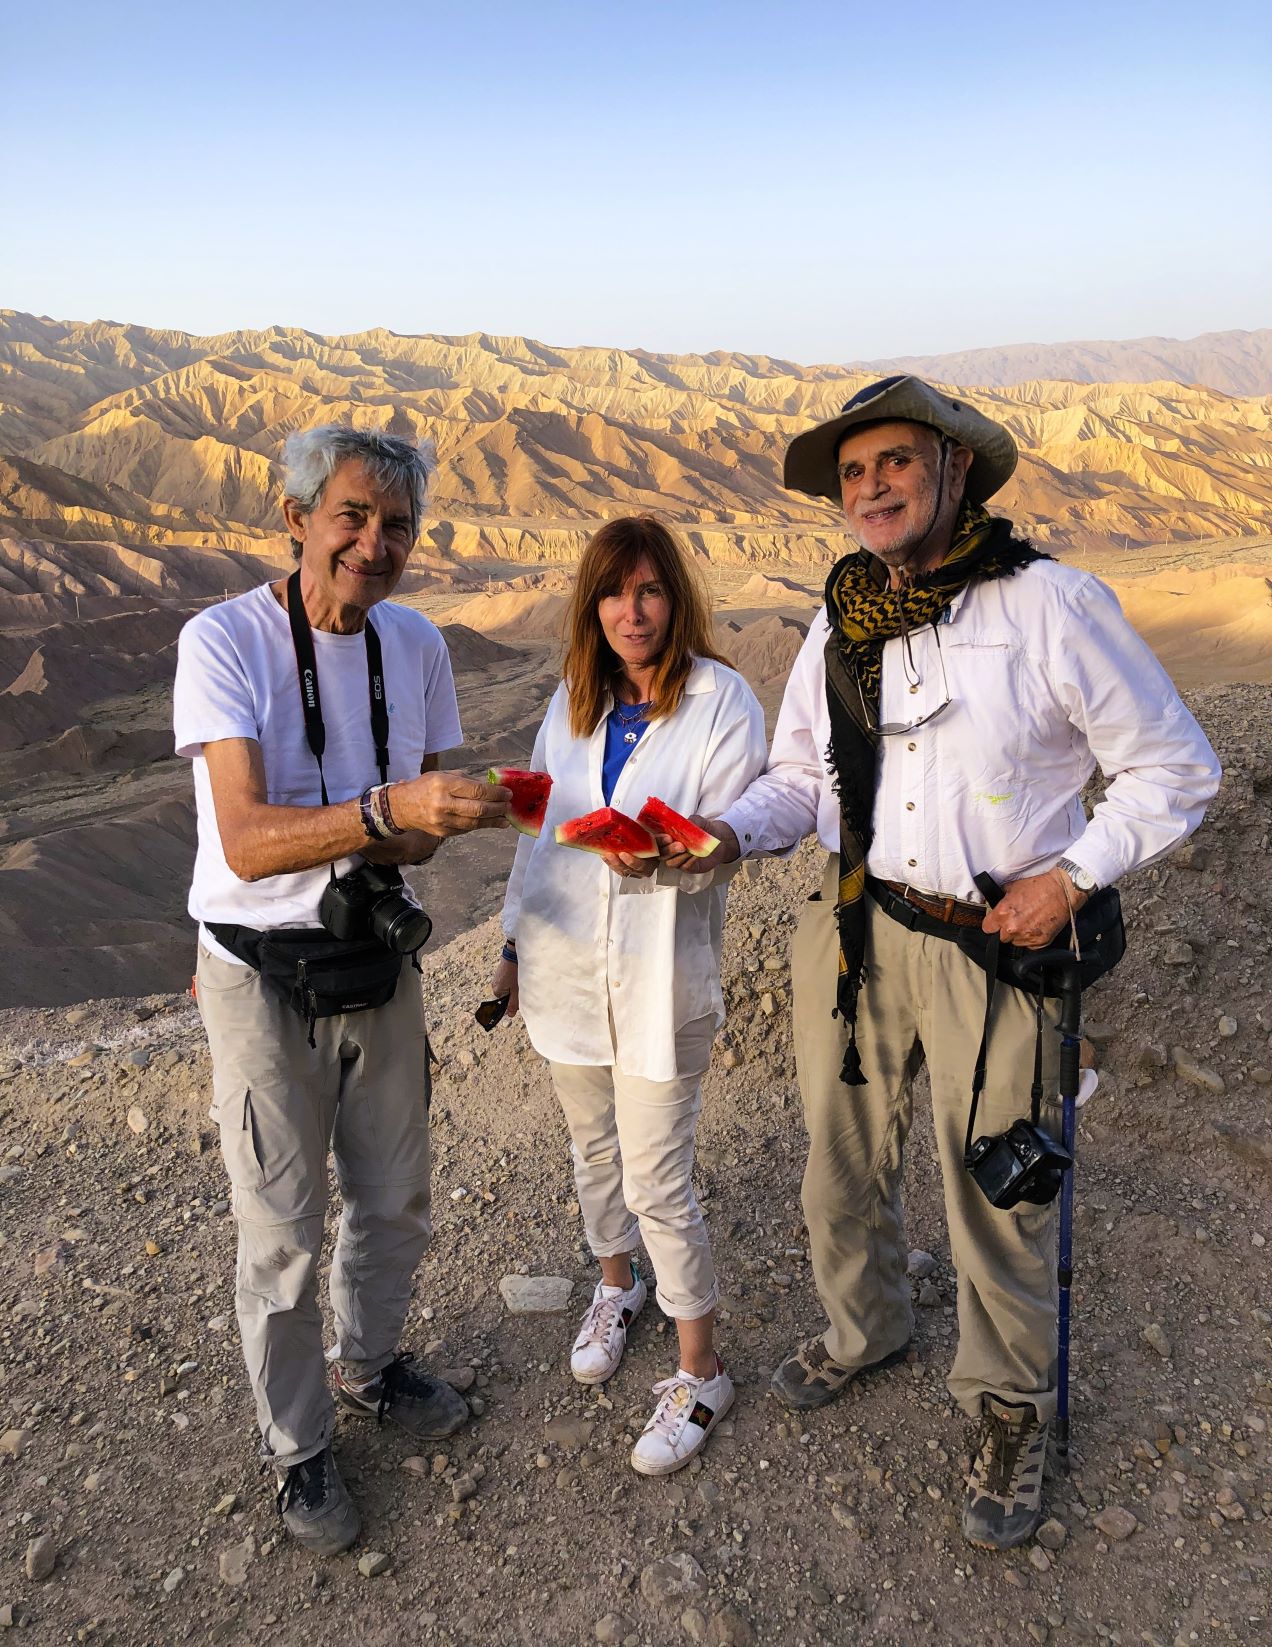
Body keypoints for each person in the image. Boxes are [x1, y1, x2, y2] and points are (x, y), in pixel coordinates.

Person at [664, 376, 1221, 1546]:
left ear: (954, 471)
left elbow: (1176, 768)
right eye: (852, 473)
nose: (870, 488)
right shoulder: (839, 617)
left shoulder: (1049, 606)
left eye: (895, 464)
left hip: (994, 945)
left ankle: (1009, 1404)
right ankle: (867, 1329)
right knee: (839, 1161)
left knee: (994, 1187)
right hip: (856, 925)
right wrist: (727, 835)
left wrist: (1069, 876)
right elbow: (806, 778)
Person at [173, 425, 510, 1555]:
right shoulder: (221, 640)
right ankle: (298, 1448)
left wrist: (440, 820)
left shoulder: (414, 645)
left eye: (398, 526)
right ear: (297, 519)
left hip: (374, 957)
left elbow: (413, 844)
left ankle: (366, 1365)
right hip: (258, 968)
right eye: (353, 517)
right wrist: (384, 815)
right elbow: (250, 838)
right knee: (280, 1228)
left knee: (396, 1193)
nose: (375, 544)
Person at [490, 516, 766, 1475]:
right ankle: (617, 1285)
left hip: (661, 975)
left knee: (659, 1175)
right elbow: (535, 830)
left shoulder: (722, 701)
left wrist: (675, 849)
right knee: (592, 1151)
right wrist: (511, 944)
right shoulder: (571, 704)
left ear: (675, 598)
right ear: (592, 605)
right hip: (564, 970)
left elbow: (727, 834)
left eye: (649, 591)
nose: (632, 611)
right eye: (614, 592)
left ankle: (703, 1368)